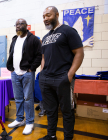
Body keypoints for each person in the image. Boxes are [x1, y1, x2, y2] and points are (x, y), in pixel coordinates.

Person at [39, 6, 84, 140]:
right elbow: (43, 57)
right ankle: (51, 135)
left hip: (62, 78)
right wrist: (42, 73)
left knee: (67, 111)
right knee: (51, 110)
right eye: (44, 17)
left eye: (48, 15)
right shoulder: (46, 37)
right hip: (46, 79)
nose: (45, 19)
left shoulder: (68, 31)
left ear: (57, 15)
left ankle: (68, 138)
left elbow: (79, 53)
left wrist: (69, 74)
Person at [6, 18, 42, 135]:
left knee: (28, 98)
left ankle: (30, 122)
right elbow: (12, 54)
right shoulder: (15, 39)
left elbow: (39, 55)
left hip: (27, 73)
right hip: (15, 73)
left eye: (21, 24)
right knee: (18, 98)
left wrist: (32, 68)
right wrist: (11, 68)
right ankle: (19, 119)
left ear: (26, 26)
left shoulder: (33, 39)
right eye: (16, 24)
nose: (18, 26)